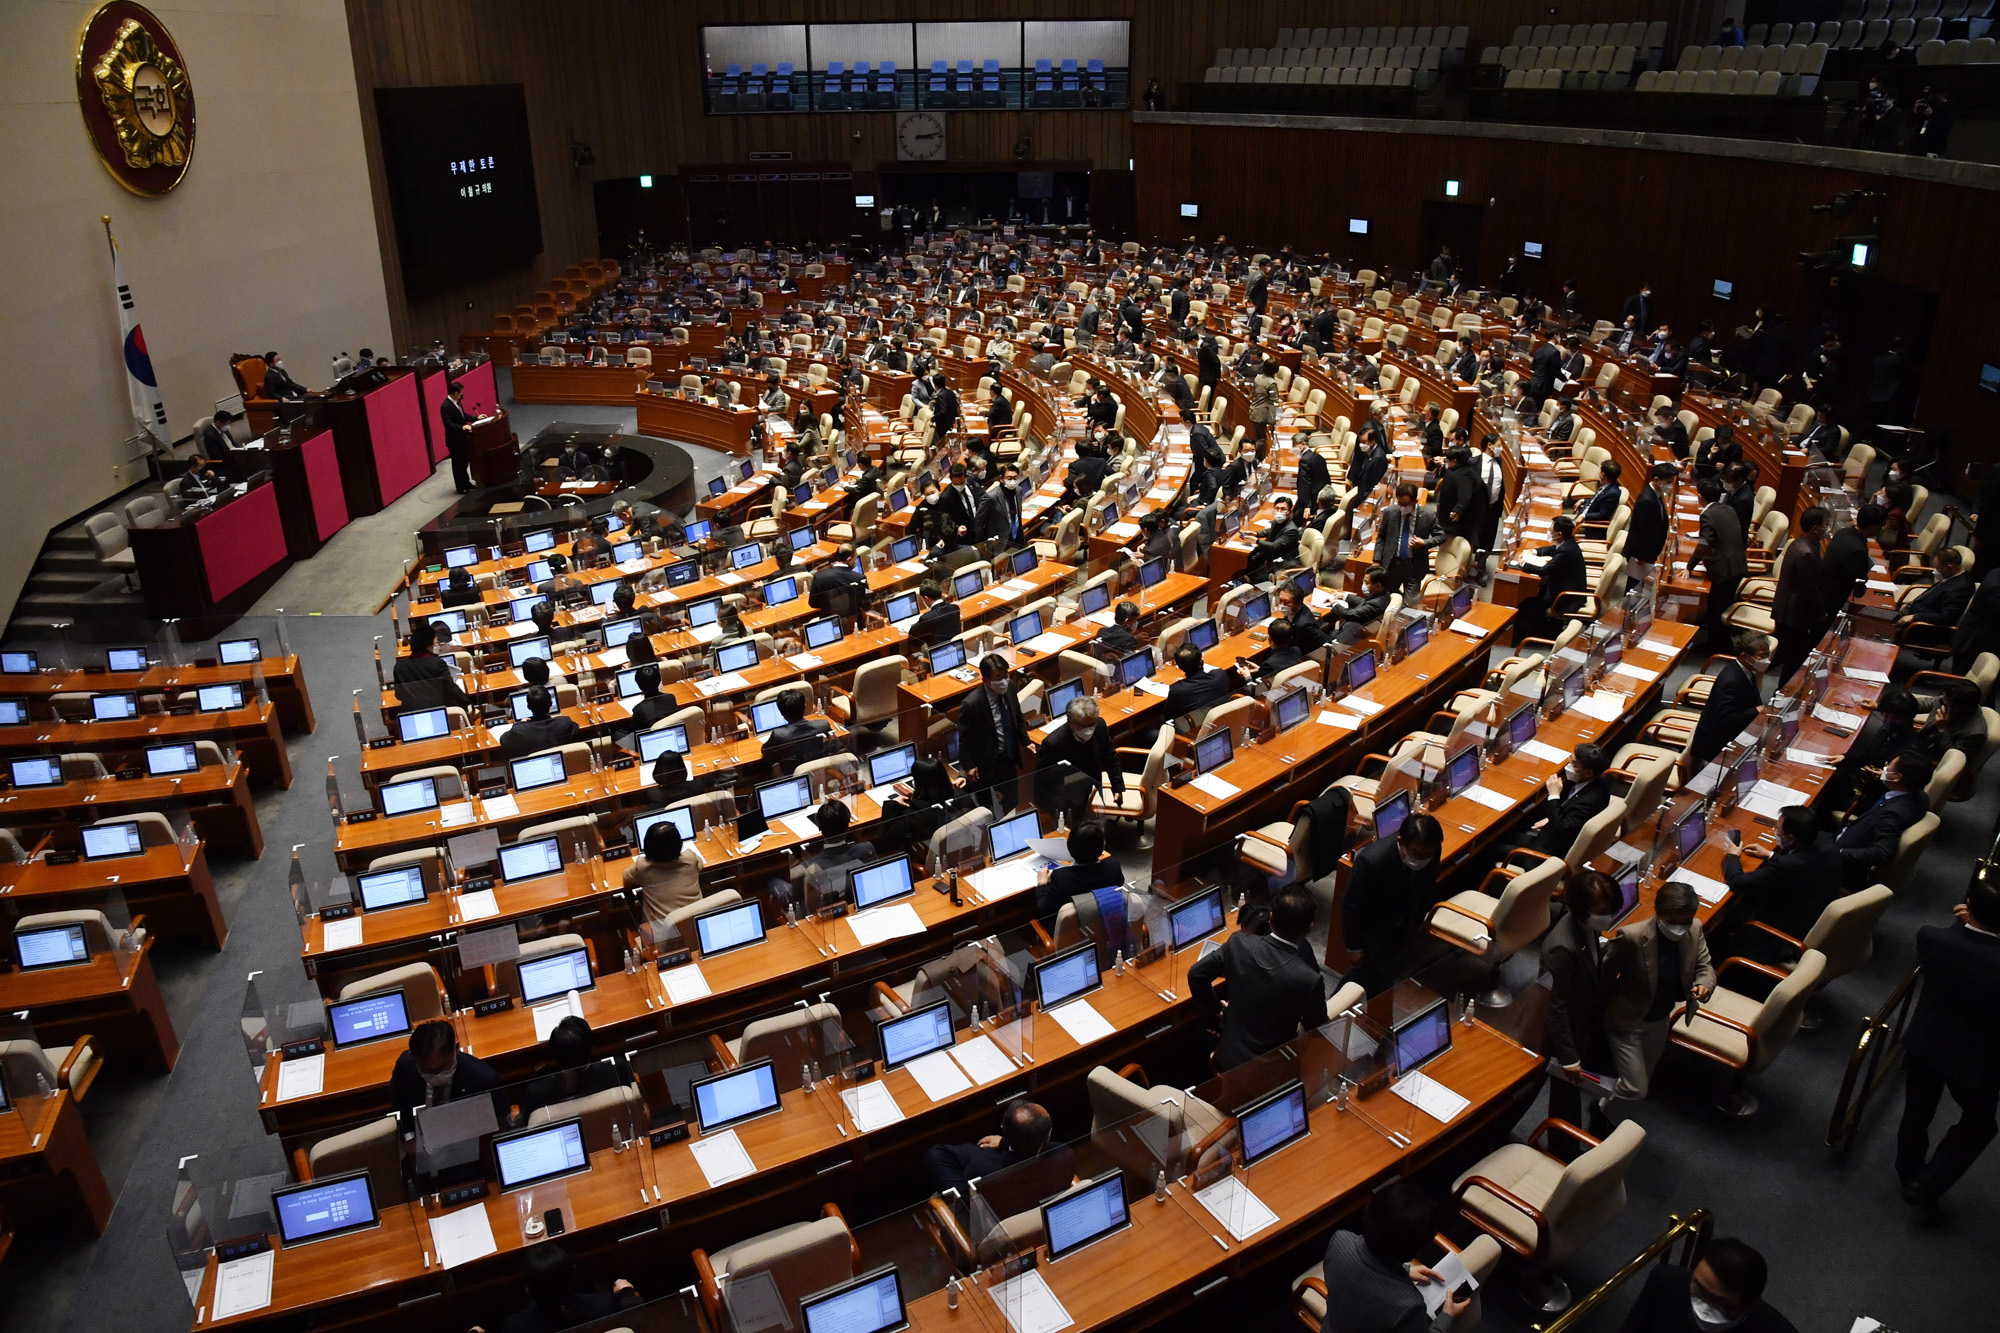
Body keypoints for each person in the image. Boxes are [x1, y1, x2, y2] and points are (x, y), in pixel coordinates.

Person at [1896, 880, 2000, 1207]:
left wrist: (1961, 925)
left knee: (1917, 1112)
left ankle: (1908, 1171)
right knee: (1981, 1123)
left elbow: (1953, 947)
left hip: (1927, 1042)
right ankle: (1927, 1184)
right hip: (1976, 1058)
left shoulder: (1933, 938)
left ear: (1968, 907)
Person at [1189, 887, 1326, 1070]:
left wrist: (1215, 1013)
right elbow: (1317, 1029)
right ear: (1309, 927)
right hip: (1273, 1070)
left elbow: (1196, 974)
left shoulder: (1238, 943)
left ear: (1270, 919)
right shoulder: (1310, 980)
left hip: (1228, 1058)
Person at [1602, 881, 1714, 1103]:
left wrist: (1705, 984)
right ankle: (1602, 1110)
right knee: (1636, 1089)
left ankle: (1613, 1119)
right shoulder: (1632, 936)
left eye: (1685, 921)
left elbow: (1705, 965)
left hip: (1661, 1018)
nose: (1679, 927)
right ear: (1659, 912)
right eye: (1673, 921)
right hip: (1629, 1021)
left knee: (1645, 1078)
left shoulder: (1694, 929)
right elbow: (1604, 975)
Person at [1314, 1182, 1470, 1333]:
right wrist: (1447, 1317)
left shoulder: (1340, 1240)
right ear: (1414, 1251)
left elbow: (1362, 1277)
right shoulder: (1409, 1305)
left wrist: (1403, 1272)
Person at [1543, 871, 1620, 1136]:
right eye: (1602, 910)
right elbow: (1556, 1007)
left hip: (1584, 1018)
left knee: (1570, 1094)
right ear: (1581, 907)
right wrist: (1569, 1057)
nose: (1608, 914)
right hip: (1564, 1032)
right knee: (1563, 1094)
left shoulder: (1585, 926)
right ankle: (1561, 1149)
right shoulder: (1562, 948)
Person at [1342, 813, 1442, 995]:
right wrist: (1353, 947)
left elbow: (1427, 885)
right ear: (1400, 841)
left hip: (1403, 923)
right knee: (1378, 978)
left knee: (1376, 973)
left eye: (1427, 855)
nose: (1422, 859)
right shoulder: (1371, 861)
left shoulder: (1431, 851)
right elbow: (1352, 907)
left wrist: (1418, 920)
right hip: (1374, 927)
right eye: (1416, 854)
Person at [1616, 1238, 1797, 1333]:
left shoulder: (1775, 1330)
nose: (1704, 1306)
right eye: (1698, 1289)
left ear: (1751, 1303)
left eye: (1720, 1303)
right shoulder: (1665, 1281)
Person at [1720, 806, 1843, 946]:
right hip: (1813, 912)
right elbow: (1801, 863)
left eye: (1778, 830)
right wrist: (1771, 855)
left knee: (1727, 916)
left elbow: (1737, 882)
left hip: (1783, 933)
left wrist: (1732, 856)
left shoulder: (1786, 866)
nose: (1776, 832)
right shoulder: (1828, 842)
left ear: (1790, 839)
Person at [484, 1243, 640, 1333]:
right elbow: (638, 1320)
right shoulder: (605, 1306)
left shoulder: (514, 1327)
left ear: (528, 1289)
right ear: (574, 1274)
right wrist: (626, 1292)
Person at [1835, 749, 1931, 887]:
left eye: (1889, 765)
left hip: (1842, 860)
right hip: (1853, 837)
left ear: (1897, 777)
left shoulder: (1892, 815)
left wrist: (1839, 853)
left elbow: (1882, 852)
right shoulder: (1921, 797)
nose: (1885, 768)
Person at [922, 1099, 1054, 1198]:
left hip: (991, 1211)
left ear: (1003, 1128)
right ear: (1046, 1138)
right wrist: (1003, 1143)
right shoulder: (1063, 1153)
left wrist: (1005, 1142)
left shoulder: (981, 1165)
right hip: (1027, 1185)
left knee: (935, 1155)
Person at [1685, 631, 1768, 775]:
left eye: (1768, 655)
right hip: (1717, 742)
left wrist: (1760, 676)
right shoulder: (1731, 681)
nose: (1766, 660)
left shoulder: (1749, 670)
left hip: (1733, 730)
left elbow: (1751, 698)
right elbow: (1726, 719)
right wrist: (1756, 711)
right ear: (1744, 656)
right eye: (1762, 655)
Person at [517, 1016, 631, 1120]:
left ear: (554, 1057)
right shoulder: (617, 1069)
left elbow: (522, 1125)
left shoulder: (536, 1092)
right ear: (593, 1048)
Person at [1034, 697, 1124, 821]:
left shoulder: (1100, 726)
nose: (1089, 729)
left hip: (1092, 785)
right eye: (1083, 726)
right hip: (1065, 795)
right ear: (1070, 722)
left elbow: (1110, 757)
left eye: (1092, 724)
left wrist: (1117, 786)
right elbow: (1041, 781)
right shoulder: (1053, 744)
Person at [389, 1018, 502, 1117]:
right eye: (429, 1070)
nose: (437, 1075)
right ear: (413, 1057)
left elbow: (499, 1121)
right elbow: (399, 1112)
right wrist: (410, 1139)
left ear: (456, 1048)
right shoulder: (405, 1067)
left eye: (443, 1067)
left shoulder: (484, 1080)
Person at [957, 653, 1025, 812]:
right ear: (985, 681)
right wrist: (968, 766)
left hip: (1009, 756)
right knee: (989, 805)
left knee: (1012, 800)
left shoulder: (1010, 688)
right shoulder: (971, 704)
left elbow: (1017, 715)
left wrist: (1025, 741)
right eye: (998, 677)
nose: (1003, 680)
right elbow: (964, 739)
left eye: (1005, 675)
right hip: (987, 761)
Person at [1519, 744, 1611, 857]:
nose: (1569, 766)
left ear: (1588, 773)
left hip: (1545, 853)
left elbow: (1562, 829)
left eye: (1574, 764)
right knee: (1510, 833)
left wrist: (1554, 795)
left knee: (1493, 846)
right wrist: (1552, 817)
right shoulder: (1600, 782)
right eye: (1571, 760)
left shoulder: (1590, 800)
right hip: (1548, 834)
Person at [1770, 506, 1828, 686]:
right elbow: (1809, 588)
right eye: (1825, 525)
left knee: (1783, 652)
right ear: (1815, 528)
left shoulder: (1799, 543)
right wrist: (1821, 613)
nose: (1828, 529)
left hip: (1786, 608)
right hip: (1794, 614)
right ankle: (1781, 691)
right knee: (1792, 656)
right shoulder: (1807, 553)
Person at [1034, 821, 1123, 930]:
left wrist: (1041, 883)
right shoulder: (1113, 867)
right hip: (1105, 926)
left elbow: (1043, 909)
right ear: (1102, 846)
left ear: (1069, 848)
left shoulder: (1061, 878)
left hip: (1068, 933)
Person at [1692, 478, 1748, 650]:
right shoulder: (1728, 508)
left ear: (1700, 497)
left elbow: (1705, 543)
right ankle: (1717, 636)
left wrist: (1690, 566)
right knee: (1720, 603)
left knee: (1717, 606)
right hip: (1738, 564)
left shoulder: (1707, 514)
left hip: (1725, 569)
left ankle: (1716, 646)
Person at [879, 756, 974, 854]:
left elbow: (887, 839)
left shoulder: (915, 813)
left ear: (918, 783)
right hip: (966, 850)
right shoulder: (961, 796)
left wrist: (892, 805)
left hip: (931, 857)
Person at [796, 799, 877, 906]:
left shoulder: (807, 868)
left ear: (819, 826)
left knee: (773, 882)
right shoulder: (867, 850)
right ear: (848, 825)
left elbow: (795, 901)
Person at [1520, 515, 1586, 640]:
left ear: (1558, 534)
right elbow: (1552, 549)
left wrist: (1523, 564)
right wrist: (1535, 551)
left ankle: (1548, 634)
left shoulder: (1565, 551)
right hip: (1566, 586)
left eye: (1551, 530)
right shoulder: (1568, 543)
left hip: (1566, 595)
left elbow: (1543, 571)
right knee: (1533, 597)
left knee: (1528, 606)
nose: (1549, 532)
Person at [624, 817, 702, 920]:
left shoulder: (642, 867)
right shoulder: (690, 858)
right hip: (697, 923)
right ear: (678, 843)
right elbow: (700, 866)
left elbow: (626, 879)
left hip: (665, 932)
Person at [1375, 482, 1439, 600]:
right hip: (1392, 565)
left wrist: (1424, 543)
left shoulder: (1428, 516)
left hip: (1414, 568)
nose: (1403, 507)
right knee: (1386, 600)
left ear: (1416, 501)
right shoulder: (1390, 512)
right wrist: (1377, 560)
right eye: (1400, 503)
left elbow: (1440, 536)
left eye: (1407, 504)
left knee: (1411, 605)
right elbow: (1381, 537)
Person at [1164, 644, 1254, 724]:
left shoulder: (1177, 689)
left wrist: (1183, 685)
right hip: (1225, 722)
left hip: (1195, 729)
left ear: (1179, 667)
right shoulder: (1219, 675)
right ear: (1201, 661)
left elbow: (1168, 719)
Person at [1821, 503, 1885, 612]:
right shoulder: (1858, 550)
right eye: (1882, 525)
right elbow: (1857, 589)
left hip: (1821, 588)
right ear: (1873, 527)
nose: (1883, 529)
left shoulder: (1842, 532)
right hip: (1830, 602)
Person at [392, 621, 469, 710]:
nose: (437, 646)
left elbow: (399, 695)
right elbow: (450, 688)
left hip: (411, 712)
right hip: (439, 710)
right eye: (436, 643)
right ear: (428, 646)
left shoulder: (399, 666)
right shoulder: (437, 663)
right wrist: (467, 704)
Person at [500, 685, 581, 760]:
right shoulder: (564, 723)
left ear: (528, 707)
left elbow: (503, 740)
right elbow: (576, 727)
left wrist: (521, 724)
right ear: (551, 704)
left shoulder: (519, 730)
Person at [763, 686, 830, 775]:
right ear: (805, 706)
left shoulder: (779, 735)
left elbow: (765, 750)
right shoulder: (823, 725)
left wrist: (776, 765)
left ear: (782, 713)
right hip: (821, 772)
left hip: (792, 775)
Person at [1624, 463, 1675, 578]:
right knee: (1633, 584)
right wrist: (1640, 557)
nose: (1671, 485)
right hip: (1640, 555)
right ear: (1657, 480)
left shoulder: (1656, 494)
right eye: (1669, 482)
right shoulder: (1646, 500)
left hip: (1649, 552)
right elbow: (1640, 531)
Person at [1950, 563, 2000, 673]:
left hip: (1984, 638)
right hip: (1974, 643)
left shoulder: (1996, 571)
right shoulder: (1995, 586)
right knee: (1963, 683)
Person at [1432, 446, 1487, 545]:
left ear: (1454, 461)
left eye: (1447, 460)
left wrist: (1458, 509)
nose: (1446, 462)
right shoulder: (1459, 469)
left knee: (1457, 543)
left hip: (1464, 519)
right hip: (1450, 512)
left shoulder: (1464, 474)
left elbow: (1465, 494)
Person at [808, 542, 870, 614]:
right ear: (849, 560)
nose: (856, 561)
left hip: (829, 619)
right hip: (853, 619)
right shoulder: (859, 578)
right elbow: (866, 605)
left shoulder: (819, 576)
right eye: (855, 558)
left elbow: (813, 603)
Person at [623, 663, 678, 737]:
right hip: (670, 734)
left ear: (639, 686)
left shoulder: (639, 709)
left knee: (616, 733)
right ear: (659, 681)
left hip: (649, 738)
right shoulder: (671, 698)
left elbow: (632, 733)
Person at [440, 381, 476, 493]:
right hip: (454, 440)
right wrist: (462, 427)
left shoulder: (457, 402)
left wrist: (477, 418)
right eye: (460, 393)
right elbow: (448, 424)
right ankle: (460, 487)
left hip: (462, 439)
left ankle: (466, 483)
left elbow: (463, 415)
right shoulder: (446, 406)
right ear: (455, 393)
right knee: (458, 464)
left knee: (464, 462)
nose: (461, 395)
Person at [908, 580, 962, 647]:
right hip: (956, 645)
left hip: (936, 651)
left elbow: (912, 633)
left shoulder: (926, 618)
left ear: (926, 598)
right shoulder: (955, 608)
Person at [1579, 459, 1623, 525]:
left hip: (1588, 525)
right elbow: (1595, 500)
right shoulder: (1607, 485)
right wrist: (1583, 500)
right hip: (1583, 515)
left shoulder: (1612, 494)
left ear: (1602, 474)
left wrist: (1583, 516)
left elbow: (1602, 515)